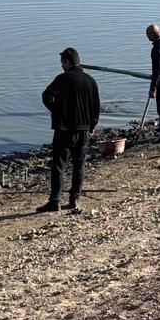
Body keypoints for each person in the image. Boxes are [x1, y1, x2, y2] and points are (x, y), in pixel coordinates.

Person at [38, 47, 100, 214]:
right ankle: (74, 199)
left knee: (59, 166)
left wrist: (55, 110)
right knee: (79, 165)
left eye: (62, 63)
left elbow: (46, 95)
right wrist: (92, 125)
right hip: (84, 130)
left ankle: (55, 201)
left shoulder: (62, 79)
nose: (61, 67)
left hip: (64, 129)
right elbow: (96, 107)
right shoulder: (90, 80)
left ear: (67, 62)